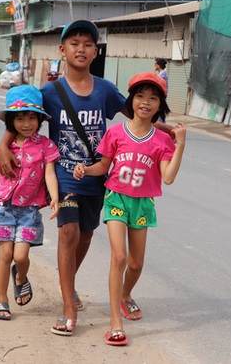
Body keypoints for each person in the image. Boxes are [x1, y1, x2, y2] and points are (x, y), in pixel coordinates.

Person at [0, 19, 127, 336]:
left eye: (87, 44)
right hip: (63, 176)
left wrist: (168, 131)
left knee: (85, 236)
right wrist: (3, 145)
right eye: (74, 43)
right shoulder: (49, 93)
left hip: (97, 177)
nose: (81, 49)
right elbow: (22, 121)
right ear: (62, 50)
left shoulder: (106, 91)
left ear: (95, 51)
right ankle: (68, 306)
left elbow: (137, 114)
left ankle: (69, 288)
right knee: (68, 233)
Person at [73, 72, 186, 346]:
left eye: (153, 98)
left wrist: (180, 144)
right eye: (140, 96)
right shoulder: (116, 133)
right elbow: (103, 166)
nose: (145, 102)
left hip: (143, 203)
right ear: (131, 100)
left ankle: (126, 295)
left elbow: (168, 177)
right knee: (120, 257)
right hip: (116, 199)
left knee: (135, 264)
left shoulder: (162, 140)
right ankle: (115, 322)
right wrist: (85, 169)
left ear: (160, 106)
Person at [0, 85, 60, 321]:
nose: (26, 123)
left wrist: (55, 197)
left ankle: (21, 277)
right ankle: (1, 300)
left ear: (40, 119)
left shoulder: (46, 146)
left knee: (21, 257)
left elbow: (49, 174)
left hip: (28, 212)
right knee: (5, 254)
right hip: (3, 210)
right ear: (11, 122)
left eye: (32, 117)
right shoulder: (4, 149)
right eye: (20, 118)